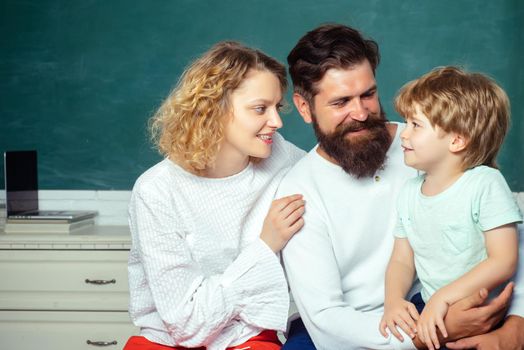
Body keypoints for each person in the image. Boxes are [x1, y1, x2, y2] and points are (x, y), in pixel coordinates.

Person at [277, 24, 524, 350]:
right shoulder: (298, 190)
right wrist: (431, 333)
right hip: (370, 327)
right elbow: (326, 319)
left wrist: (517, 326)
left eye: (368, 94)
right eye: (341, 103)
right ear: (305, 107)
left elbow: (508, 245)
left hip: (438, 302)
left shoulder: (427, 149)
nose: (361, 113)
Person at [123, 41, 306, 350]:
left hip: (250, 339)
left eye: (277, 107)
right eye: (261, 108)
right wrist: (265, 247)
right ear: (214, 109)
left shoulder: (282, 157)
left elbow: (334, 176)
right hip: (166, 342)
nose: (277, 121)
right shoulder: (156, 191)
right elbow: (185, 325)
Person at [380, 66, 522, 350]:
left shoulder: (485, 183)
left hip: (485, 315)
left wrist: (443, 297)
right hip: (434, 310)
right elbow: (402, 260)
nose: (403, 136)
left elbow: (504, 260)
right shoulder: (409, 192)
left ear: (457, 140)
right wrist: (393, 300)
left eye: (415, 125)